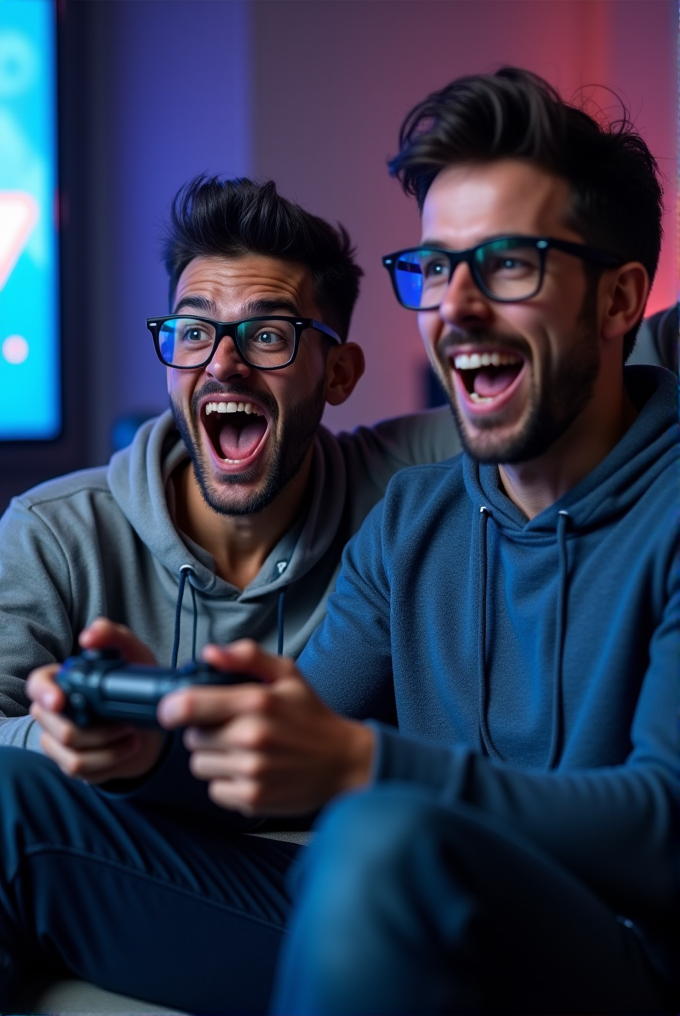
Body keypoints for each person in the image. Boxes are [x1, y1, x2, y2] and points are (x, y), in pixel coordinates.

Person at [136, 68, 674, 1013]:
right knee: (17, 808)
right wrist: (140, 745)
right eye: (434, 267)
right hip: (416, 919)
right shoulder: (415, 517)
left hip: (627, 962)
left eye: (509, 263)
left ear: (621, 301)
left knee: (378, 837)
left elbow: (666, 827)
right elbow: (285, 760)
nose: (454, 308)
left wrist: (372, 768)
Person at [0, 177, 459, 1011]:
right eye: (194, 331)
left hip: (338, 882)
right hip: (153, 870)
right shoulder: (55, 532)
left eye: (269, 335)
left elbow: (611, 361)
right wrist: (78, 734)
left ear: (341, 370)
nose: (223, 362)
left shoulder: (406, 484)